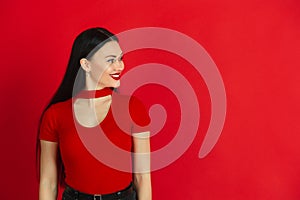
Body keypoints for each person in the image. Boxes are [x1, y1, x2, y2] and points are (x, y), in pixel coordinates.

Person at [38, 27, 152, 200]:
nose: (119, 66)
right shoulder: (55, 115)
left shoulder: (133, 108)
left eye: (120, 58)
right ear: (86, 64)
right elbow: (48, 182)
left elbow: (142, 178)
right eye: (110, 60)